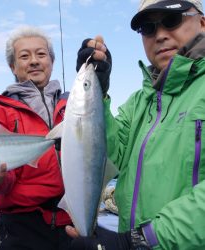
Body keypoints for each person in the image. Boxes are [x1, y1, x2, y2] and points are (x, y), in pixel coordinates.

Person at [67, 0, 205, 249]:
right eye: (148, 28)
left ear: (202, 23)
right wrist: (97, 95)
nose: (160, 35)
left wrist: (139, 241)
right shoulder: (139, 102)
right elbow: (112, 154)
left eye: (172, 20)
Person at [0, 26, 72, 250]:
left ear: (51, 61)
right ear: (13, 66)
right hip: (22, 227)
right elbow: (5, 179)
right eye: (24, 56)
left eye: (41, 54)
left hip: (73, 220)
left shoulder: (74, 107)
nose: (34, 61)